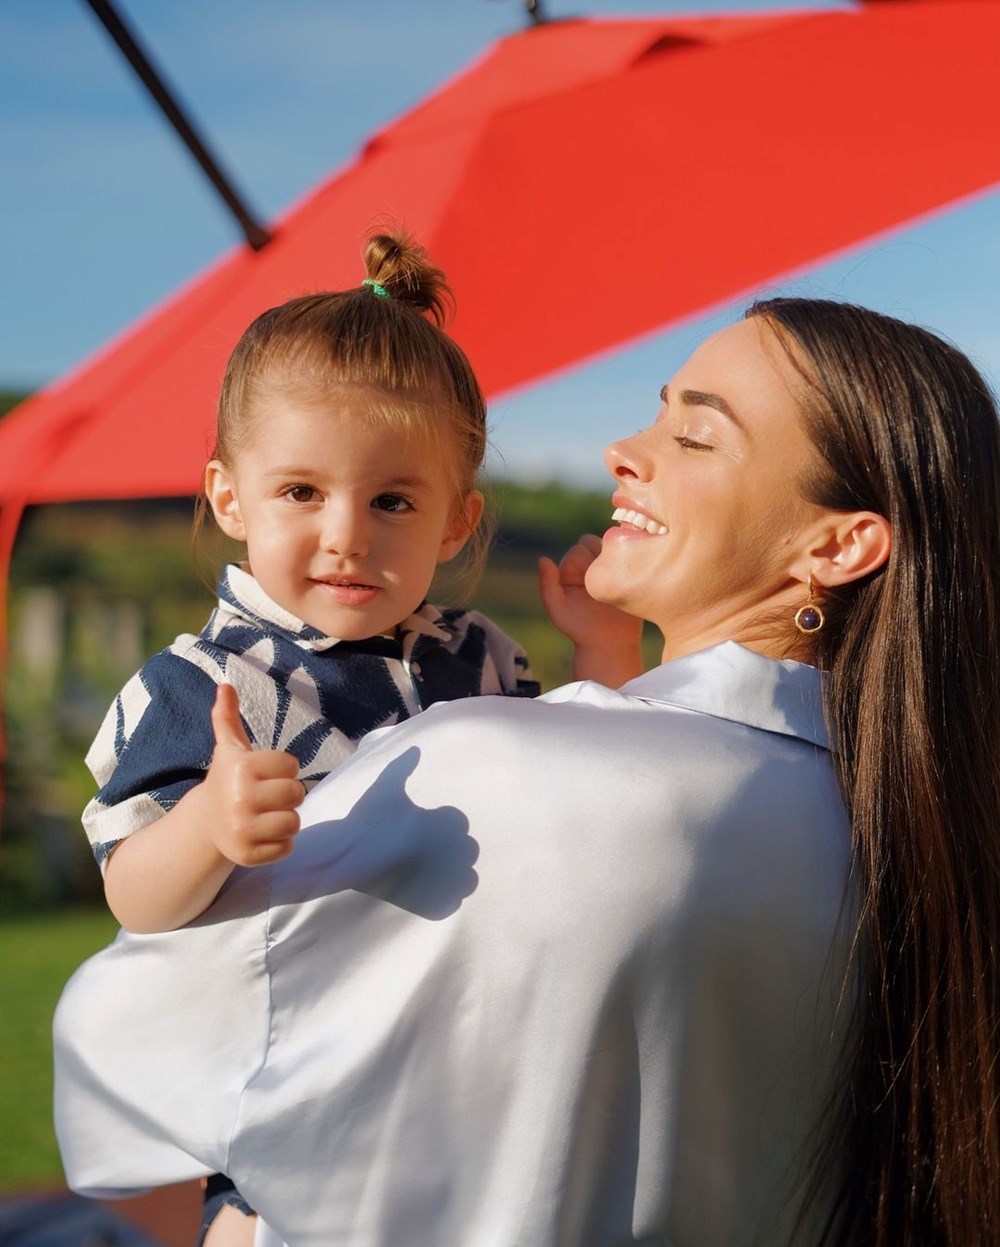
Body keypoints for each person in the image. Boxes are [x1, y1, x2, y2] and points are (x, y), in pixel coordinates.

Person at [54, 298, 1000, 1247]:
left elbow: (122, 1048)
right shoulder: (887, 817)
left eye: (696, 436)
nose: (622, 450)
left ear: (838, 543)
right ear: (230, 498)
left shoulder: (489, 746)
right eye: (657, 412)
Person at [79, 231, 574, 1245]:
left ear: (454, 520)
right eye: (301, 491)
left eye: (392, 499)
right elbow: (135, 893)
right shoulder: (205, 684)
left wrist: (605, 663)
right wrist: (208, 823)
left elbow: (579, 807)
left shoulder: (482, 657)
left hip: (475, 1081)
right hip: (292, 1110)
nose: (347, 531)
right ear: (229, 496)